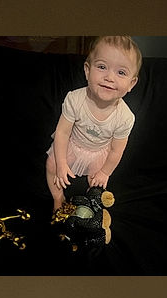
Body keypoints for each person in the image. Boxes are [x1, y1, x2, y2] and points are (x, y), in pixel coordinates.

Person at [45, 37, 141, 211]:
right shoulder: (75, 99)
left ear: (131, 84)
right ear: (87, 71)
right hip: (73, 143)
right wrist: (61, 163)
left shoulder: (125, 117)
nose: (109, 77)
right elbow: (62, 133)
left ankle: (89, 207)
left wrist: (105, 172)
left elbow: (116, 150)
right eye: (102, 67)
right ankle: (58, 198)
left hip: (99, 151)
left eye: (121, 72)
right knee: (52, 164)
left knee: (97, 182)